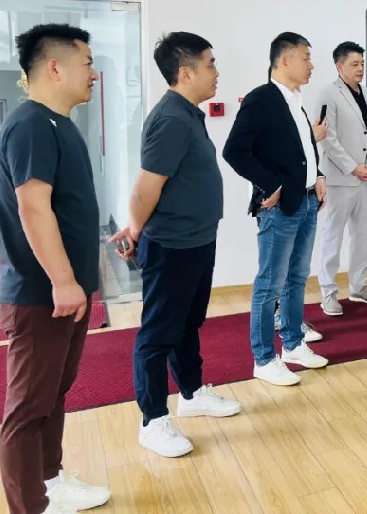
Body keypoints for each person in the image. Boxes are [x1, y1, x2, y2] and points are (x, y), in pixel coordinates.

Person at [0, 24, 110, 514]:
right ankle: (30, 506)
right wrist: (63, 281)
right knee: (27, 408)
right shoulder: (32, 125)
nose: (94, 75)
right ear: (55, 67)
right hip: (40, 295)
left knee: (52, 394)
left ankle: (49, 482)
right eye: (87, 64)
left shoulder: (59, 124)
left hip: (65, 294)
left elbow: (64, 207)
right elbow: (33, 208)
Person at [110, 32, 241, 459]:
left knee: (187, 323)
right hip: (172, 245)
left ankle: (191, 393)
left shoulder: (188, 114)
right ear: (185, 73)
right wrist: (135, 230)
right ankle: (152, 420)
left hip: (197, 240)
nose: (216, 71)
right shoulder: (170, 119)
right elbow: (145, 188)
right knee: (159, 332)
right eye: (210, 63)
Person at [222, 32, 329, 388]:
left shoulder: (296, 100)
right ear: (284, 60)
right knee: (270, 283)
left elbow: (302, 150)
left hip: (307, 201)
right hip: (281, 207)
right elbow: (234, 151)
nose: (311, 65)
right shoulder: (262, 99)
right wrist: (271, 185)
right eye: (306, 57)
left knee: (297, 278)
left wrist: (319, 175)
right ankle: (264, 358)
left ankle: (293, 345)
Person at [315, 41, 367, 315]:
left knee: (363, 235)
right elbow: (327, 138)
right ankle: (328, 291)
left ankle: (359, 286)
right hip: (340, 178)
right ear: (339, 66)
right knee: (333, 235)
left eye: (362, 64)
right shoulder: (327, 94)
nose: (360, 69)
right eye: (354, 64)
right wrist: (353, 167)